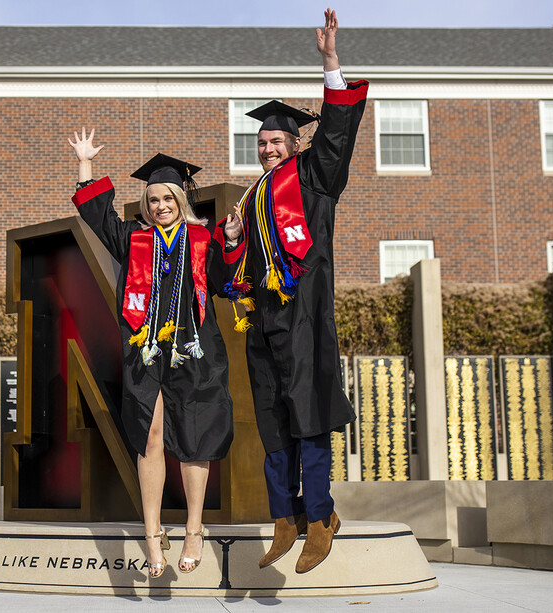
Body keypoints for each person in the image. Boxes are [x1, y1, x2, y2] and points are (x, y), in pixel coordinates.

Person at [215, 8, 367, 574]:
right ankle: (287, 517)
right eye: (262, 141)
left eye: (277, 139)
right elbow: (240, 273)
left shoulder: (313, 176)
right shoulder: (253, 198)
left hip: (303, 314)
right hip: (264, 321)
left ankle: (322, 515)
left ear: (293, 141)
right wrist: (232, 240)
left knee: (307, 413)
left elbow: (335, 135)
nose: (269, 148)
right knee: (273, 417)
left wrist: (330, 62)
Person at [68, 130, 238, 577]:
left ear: (182, 200)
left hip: (195, 350)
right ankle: (152, 532)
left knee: (196, 437)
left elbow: (223, 281)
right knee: (150, 435)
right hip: (146, 351)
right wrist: (85, 164)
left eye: (167, 198)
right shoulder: (133, 239)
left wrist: (234, 240)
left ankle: (194, 529)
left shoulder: (203, 241)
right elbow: (98, 217)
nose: (160, 206)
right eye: (153, 199)